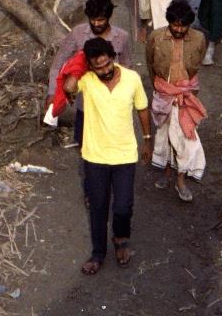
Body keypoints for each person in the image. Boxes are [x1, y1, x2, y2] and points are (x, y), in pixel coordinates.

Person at [60, 37, 152, 273]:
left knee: (123, 207)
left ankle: (121, 239)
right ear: (91, 66)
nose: (104, 70)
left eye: (107, 64)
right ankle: (98, 254)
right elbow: (69, 87)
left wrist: (148, 140)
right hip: (95, 157)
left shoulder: (132, 78)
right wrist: (81, 62)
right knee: (98, 207)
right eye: (98, 67)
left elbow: (142, 108)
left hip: (125, 156)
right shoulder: (87, 81)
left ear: (113, 58)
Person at [44, 0, 128, 147]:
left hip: (111, 102)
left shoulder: (121, 37)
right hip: (85, 102)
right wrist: (52, 92)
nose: (96, 24)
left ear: (109, 17)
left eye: (101, 20)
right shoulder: (77, 33)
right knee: (84, 144)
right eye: (93, 19)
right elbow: (58, 63)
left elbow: (127, 68)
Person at [146, 0, 208, 203]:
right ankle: (166, 172)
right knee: (164, 135)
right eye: (175, 25)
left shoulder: (199, 39)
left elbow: (196, 66)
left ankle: (180, 179)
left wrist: (184, 90)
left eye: (183, 26)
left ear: (189, 24)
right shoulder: (156, 37)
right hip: (163, 93)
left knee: (183, 138)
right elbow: (150, 65)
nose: (178, 29)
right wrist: (162, 88)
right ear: (169, 22)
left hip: (185, 96)